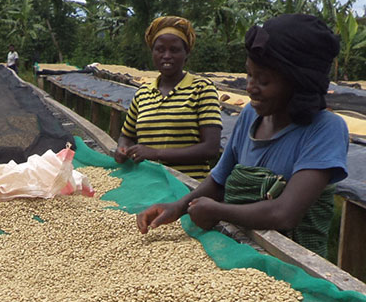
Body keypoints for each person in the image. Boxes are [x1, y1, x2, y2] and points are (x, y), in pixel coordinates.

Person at [136, 14, 348, 258]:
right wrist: (177, 207)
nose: (250, 87)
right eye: (249, 75)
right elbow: (218, 180)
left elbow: (285, 213)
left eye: (264, 80)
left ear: (299, 84)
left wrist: (219, 211)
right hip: (241, 248)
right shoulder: (250, 115)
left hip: (294, 263)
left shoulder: (325, 129)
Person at [115, 16, 222, 180]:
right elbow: (127, 135)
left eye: (174, 50)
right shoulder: (143, 93)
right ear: (152, 53)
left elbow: (211, 148)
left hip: (188, 187)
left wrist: (157, 153)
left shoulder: (202, 89)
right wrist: (123, 148)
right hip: (147, 183)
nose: (166, 55)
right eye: (160, 49)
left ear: (186, 54)